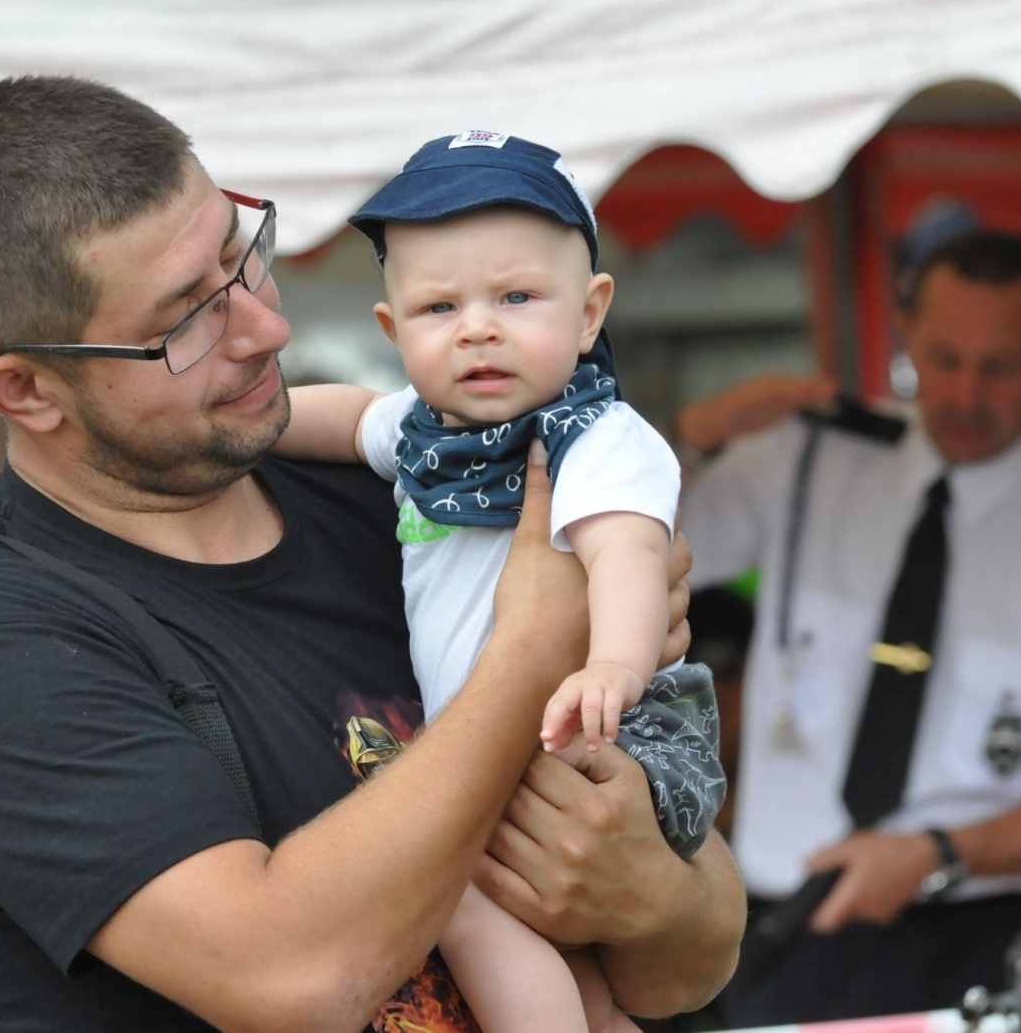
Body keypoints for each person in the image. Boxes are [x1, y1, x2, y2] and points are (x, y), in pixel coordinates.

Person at [0, 75, 743, 1033]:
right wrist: (532, 648)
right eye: (186, 319)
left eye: (244, 257)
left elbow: (697, 955)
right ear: (26, 391)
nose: (267, 327)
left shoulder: (418, 491)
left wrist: (646, 894)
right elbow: (296, 979)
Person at [273, 133, 724, 1033]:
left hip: (603, 728)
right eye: (441, 307)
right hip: (513, 729)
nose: (479, 326)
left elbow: (630, 554)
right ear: (393, 332)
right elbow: (345, 416)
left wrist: (615, 668)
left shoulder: (595, 437)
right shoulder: (417, 428)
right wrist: (256, 425)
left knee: (457, 894)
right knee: (550, 939)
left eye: (517, 297)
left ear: (590, 313)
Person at [674, 228, 1021, 1024]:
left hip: (1006, 934)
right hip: (797, 925)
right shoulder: (811, 456)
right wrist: (685, 440)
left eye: (1000, 367)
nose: (963, 395)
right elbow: (632, 549)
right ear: (907, 335)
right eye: (943, 359)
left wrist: (939, 855)